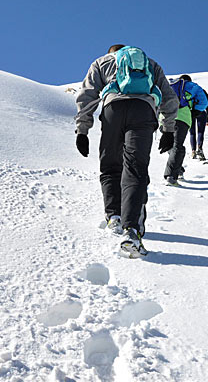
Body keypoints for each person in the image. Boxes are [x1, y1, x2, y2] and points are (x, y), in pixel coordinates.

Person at [75, 44, 178, 257]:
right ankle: (131, 230)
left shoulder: (101, 62)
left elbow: (87, 95)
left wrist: (82, 131)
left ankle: (114, 216)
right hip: (143, 111)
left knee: (110, 166)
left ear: (111, 52)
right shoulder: (150, 63)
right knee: (135, 169)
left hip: (113, 111)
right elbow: (169, 97)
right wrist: (168, 129)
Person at [163, 74, 208, 185]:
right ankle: (171, 176)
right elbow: (204, 102)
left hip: (164, 117)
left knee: (170, 144)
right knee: (177, 145)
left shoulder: (167, 85)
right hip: (182, 118)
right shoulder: (193, 86)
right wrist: (194, 113)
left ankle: (178, 170)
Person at [190, 84, 208, 161]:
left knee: (192, 133)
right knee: (200, 132)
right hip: (201, 112)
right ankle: (200, 148)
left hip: (190, 113)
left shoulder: (188, 91)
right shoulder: (202, 91)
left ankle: (193, 151)